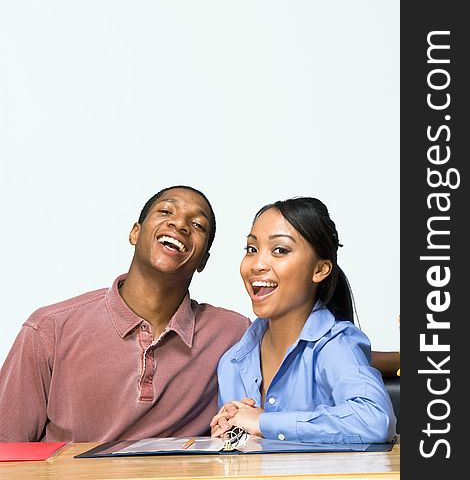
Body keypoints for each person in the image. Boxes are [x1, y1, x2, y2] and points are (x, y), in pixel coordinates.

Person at [0, 185, 250, 442]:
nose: (180, 224)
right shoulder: (48, 329)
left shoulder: (233, 333)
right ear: (135, 233)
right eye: (166, 211)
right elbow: (5, 450)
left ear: (203, 261)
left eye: (198, 225)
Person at [210, 197, 396, 444]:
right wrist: (229, 432)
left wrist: (262, 422)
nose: (257, 264)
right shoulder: (233, 363)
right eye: (251, 249)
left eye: (280, 250)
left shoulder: (336, 345)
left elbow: (374, 420)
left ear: (319, 270)